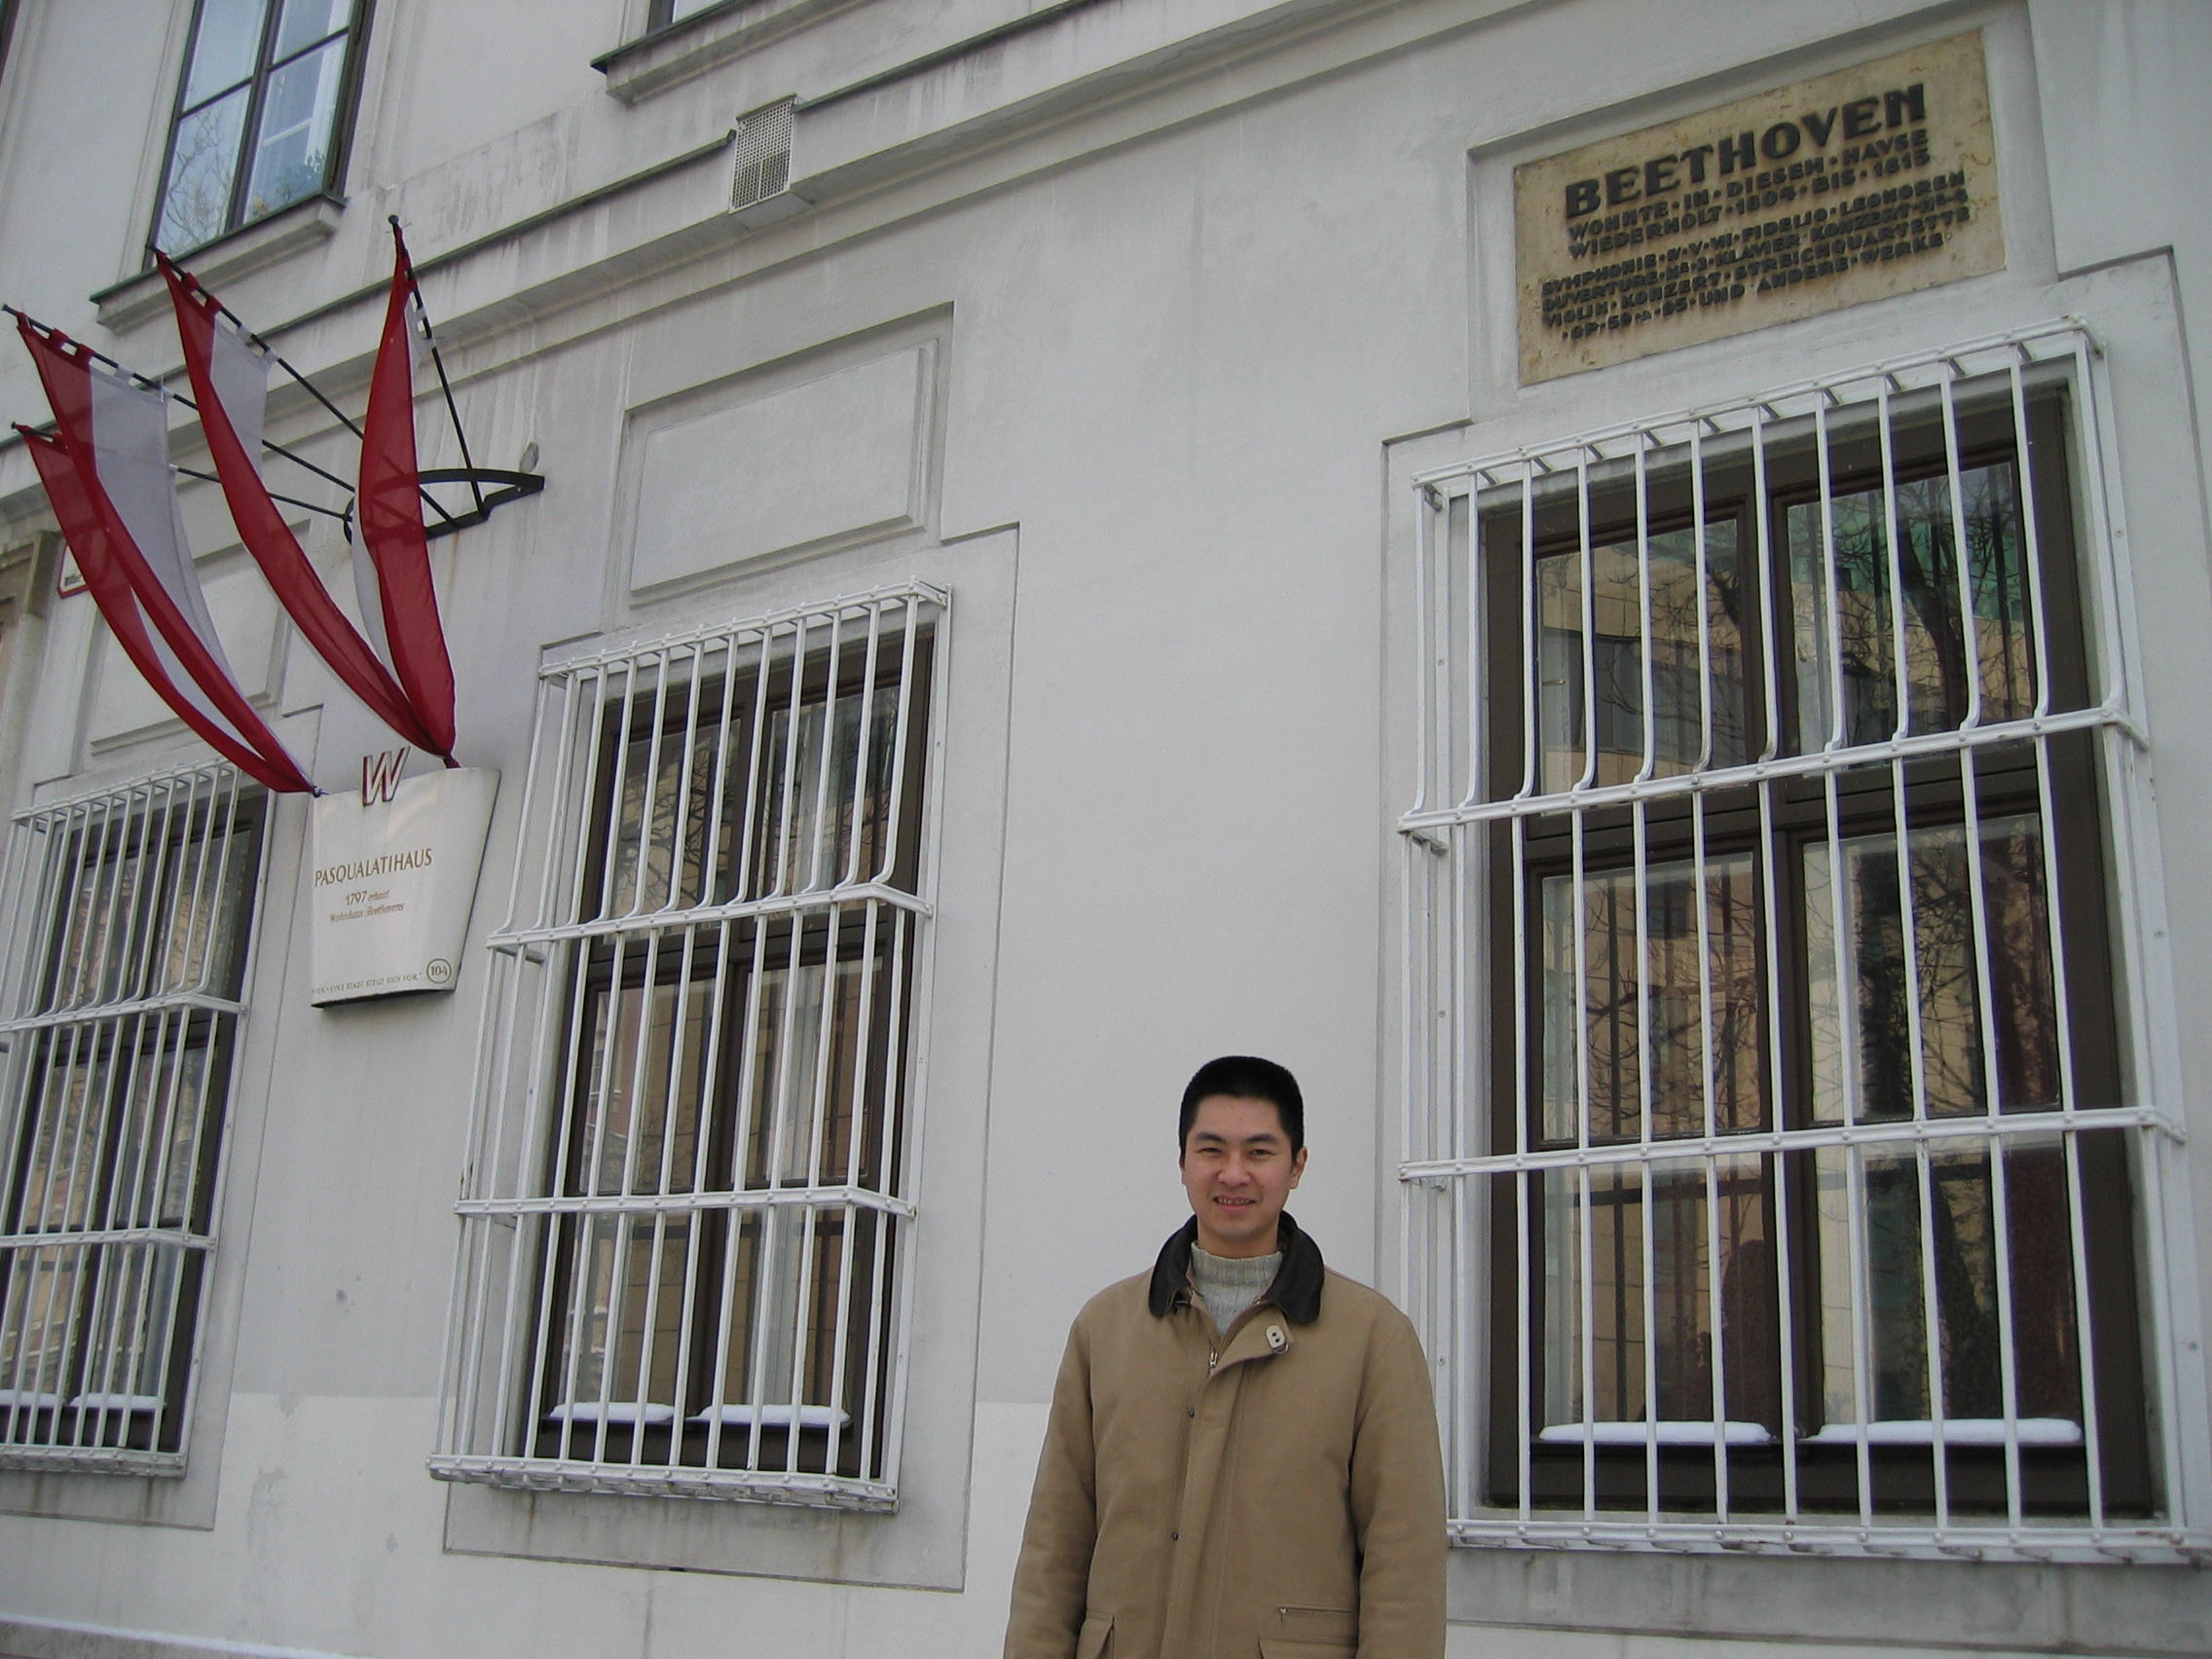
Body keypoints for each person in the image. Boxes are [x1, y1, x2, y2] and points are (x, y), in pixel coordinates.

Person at [1003, 1054, 1446, 1659]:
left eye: (1259, 1152)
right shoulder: (1105, 1330)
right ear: (1182, 1162)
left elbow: (1405, 1570)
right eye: (1211, 1150)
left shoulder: (1372, 1341)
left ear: (1297, 1166)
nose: (1233, 1174)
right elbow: (1054, 1545)